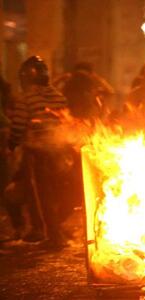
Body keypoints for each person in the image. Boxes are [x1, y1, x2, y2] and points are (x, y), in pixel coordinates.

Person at [9, 56, 71, 249]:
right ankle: (55, 231)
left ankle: (50, 236)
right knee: (57, 193)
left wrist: (11, 144)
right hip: (60, 152)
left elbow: (18, 126)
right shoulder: (58, 96)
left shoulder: (26, 98)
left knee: (41, 196)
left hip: (38, 154)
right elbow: (67, 123)